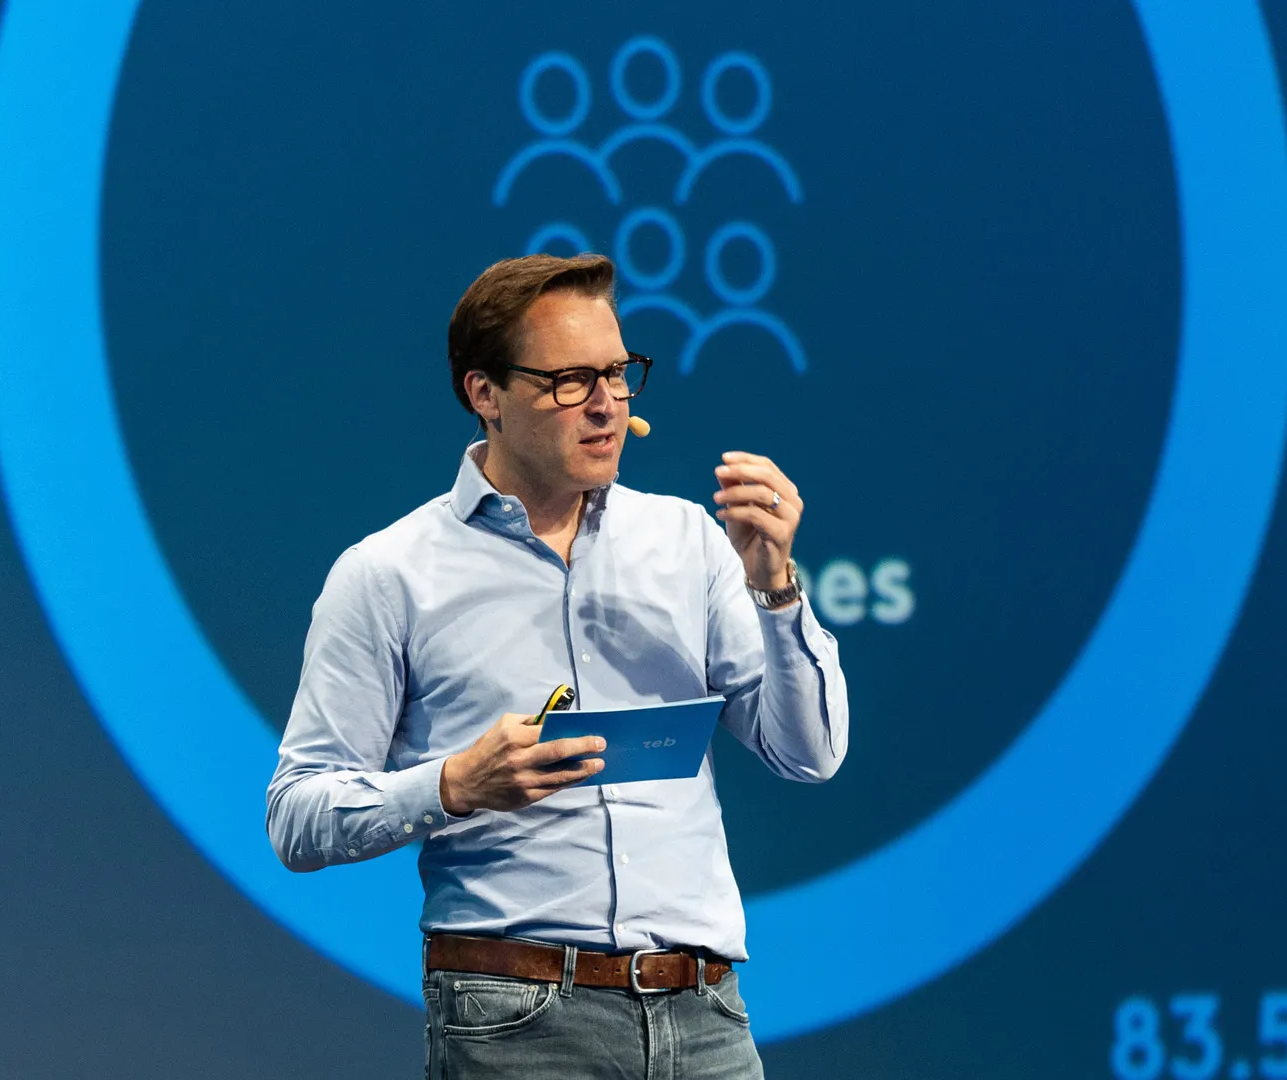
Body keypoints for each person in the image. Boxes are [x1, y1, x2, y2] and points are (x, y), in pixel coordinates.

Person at [265, 252, 849, 1079]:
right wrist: (454, 784)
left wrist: (777, 588)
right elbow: (298, 814)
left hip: (705, 1013)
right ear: (484, 395)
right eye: (571, 381)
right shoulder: (389, 574)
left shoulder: (686, 543)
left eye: (618, 373)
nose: (607, 406)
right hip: (516, 1018)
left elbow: (810, 753)